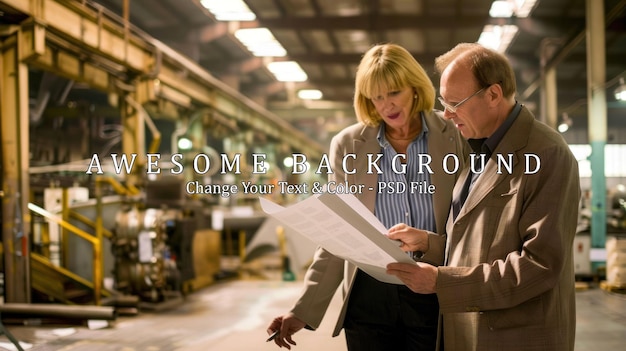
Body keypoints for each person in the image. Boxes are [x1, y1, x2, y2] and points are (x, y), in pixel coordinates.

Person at [266, 43, 468, 350]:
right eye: (377, 97)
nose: (387, 105)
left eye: (394, 92)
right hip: (368, 296)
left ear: (414, 87)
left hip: (433, 285)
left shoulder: (455, 134)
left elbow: (471, 223)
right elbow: (337, 233)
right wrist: (303, 310)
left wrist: (434, 245)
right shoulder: (348, 145)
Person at [386, 42, 581, 350]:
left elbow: (538, 266)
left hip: (514, 337)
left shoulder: (547, 154)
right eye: (443, 103)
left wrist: (441, 282)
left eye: (455, 103)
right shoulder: (477, 152)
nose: (447, 115)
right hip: (468, 331)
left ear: (493, 95)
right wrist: (428, 243)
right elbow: (478, 244)